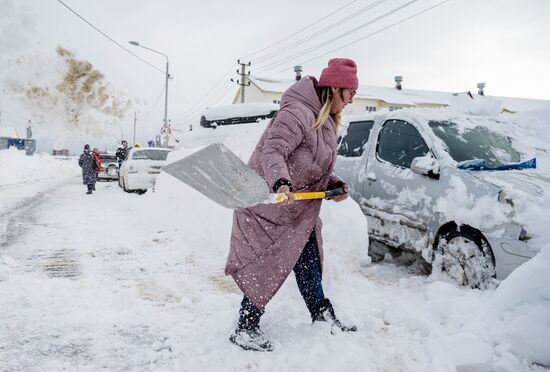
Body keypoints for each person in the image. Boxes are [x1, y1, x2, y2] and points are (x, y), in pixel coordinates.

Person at [226, 58, 359, 352]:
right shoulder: (298, 111)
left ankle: (321, 314)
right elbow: (274, 150)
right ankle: (245, 327)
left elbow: (312, 165)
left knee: (309, 260)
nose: (352, 100)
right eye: (350, 93)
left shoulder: (325, 123)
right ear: (336, 88)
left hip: (298, 211)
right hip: (270, 206)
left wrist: (332, 185)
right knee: (266, 265)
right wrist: (281, 184)